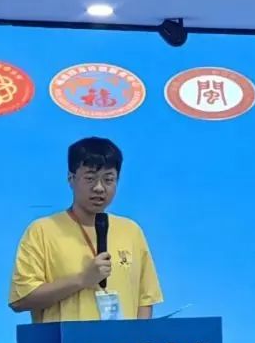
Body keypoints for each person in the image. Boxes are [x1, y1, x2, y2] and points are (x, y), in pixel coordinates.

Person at [9, 137, 163, 322]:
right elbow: (21, 299)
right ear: (71, 179)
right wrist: (82, 280)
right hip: (63, 340)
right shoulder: (41, 231)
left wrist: (138, 337)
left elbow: (145, 299)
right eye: (90, 178)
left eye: (108, 179)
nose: (99, 188)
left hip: (120, 341)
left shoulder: (131, 231)